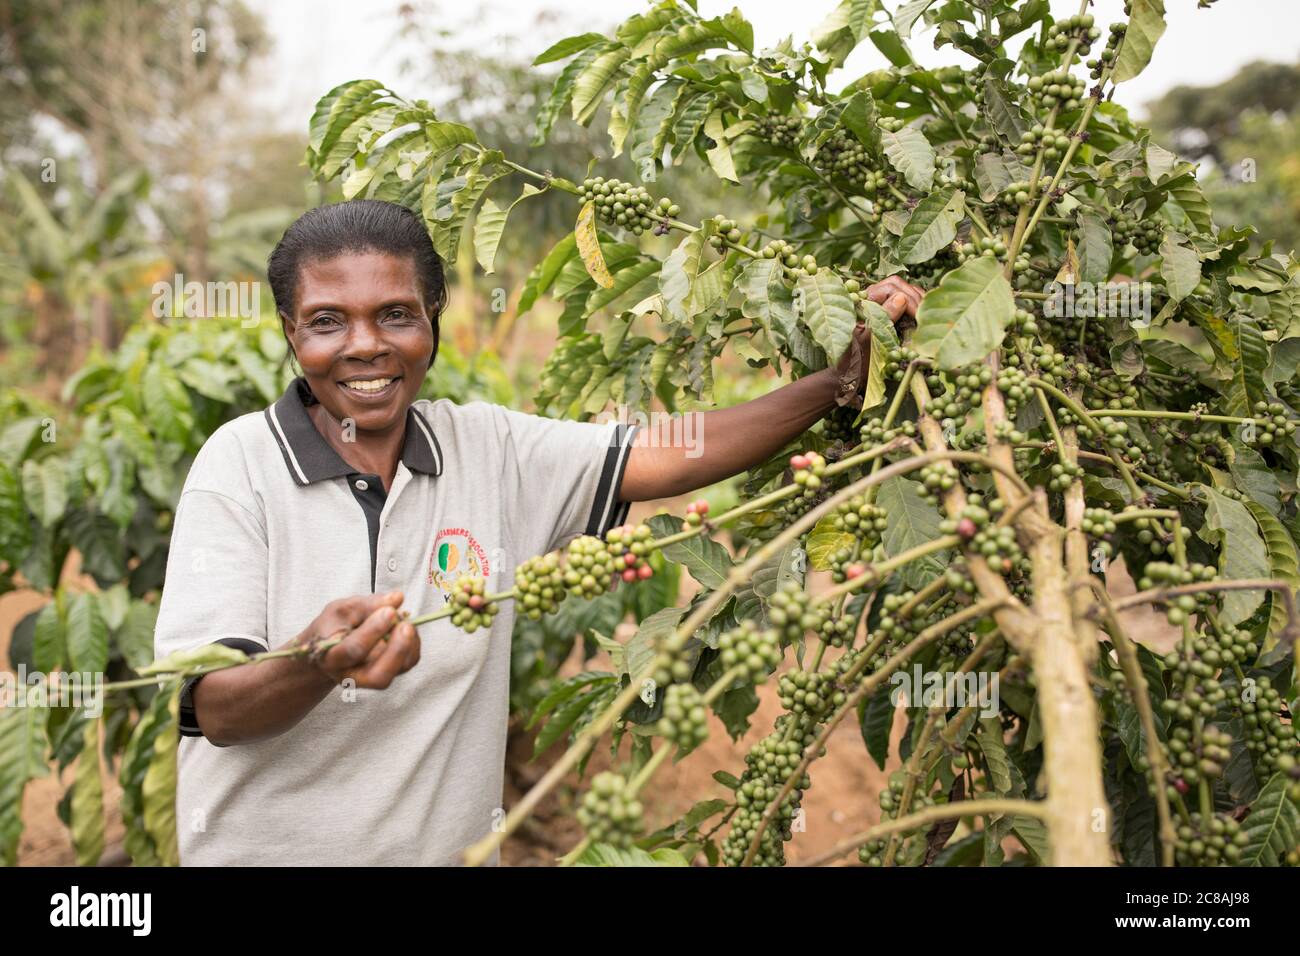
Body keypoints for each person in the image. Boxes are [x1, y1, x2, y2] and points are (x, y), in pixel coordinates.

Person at [153, 198, 924, 865]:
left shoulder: (487, 451)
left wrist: (838, 384)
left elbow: (669, 450)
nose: (365, 346)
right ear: (292, 334)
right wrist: (319, 664)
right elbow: (214, 706)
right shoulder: (241, 465)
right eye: (328, 322)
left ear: (434, 324)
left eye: (396, 315)